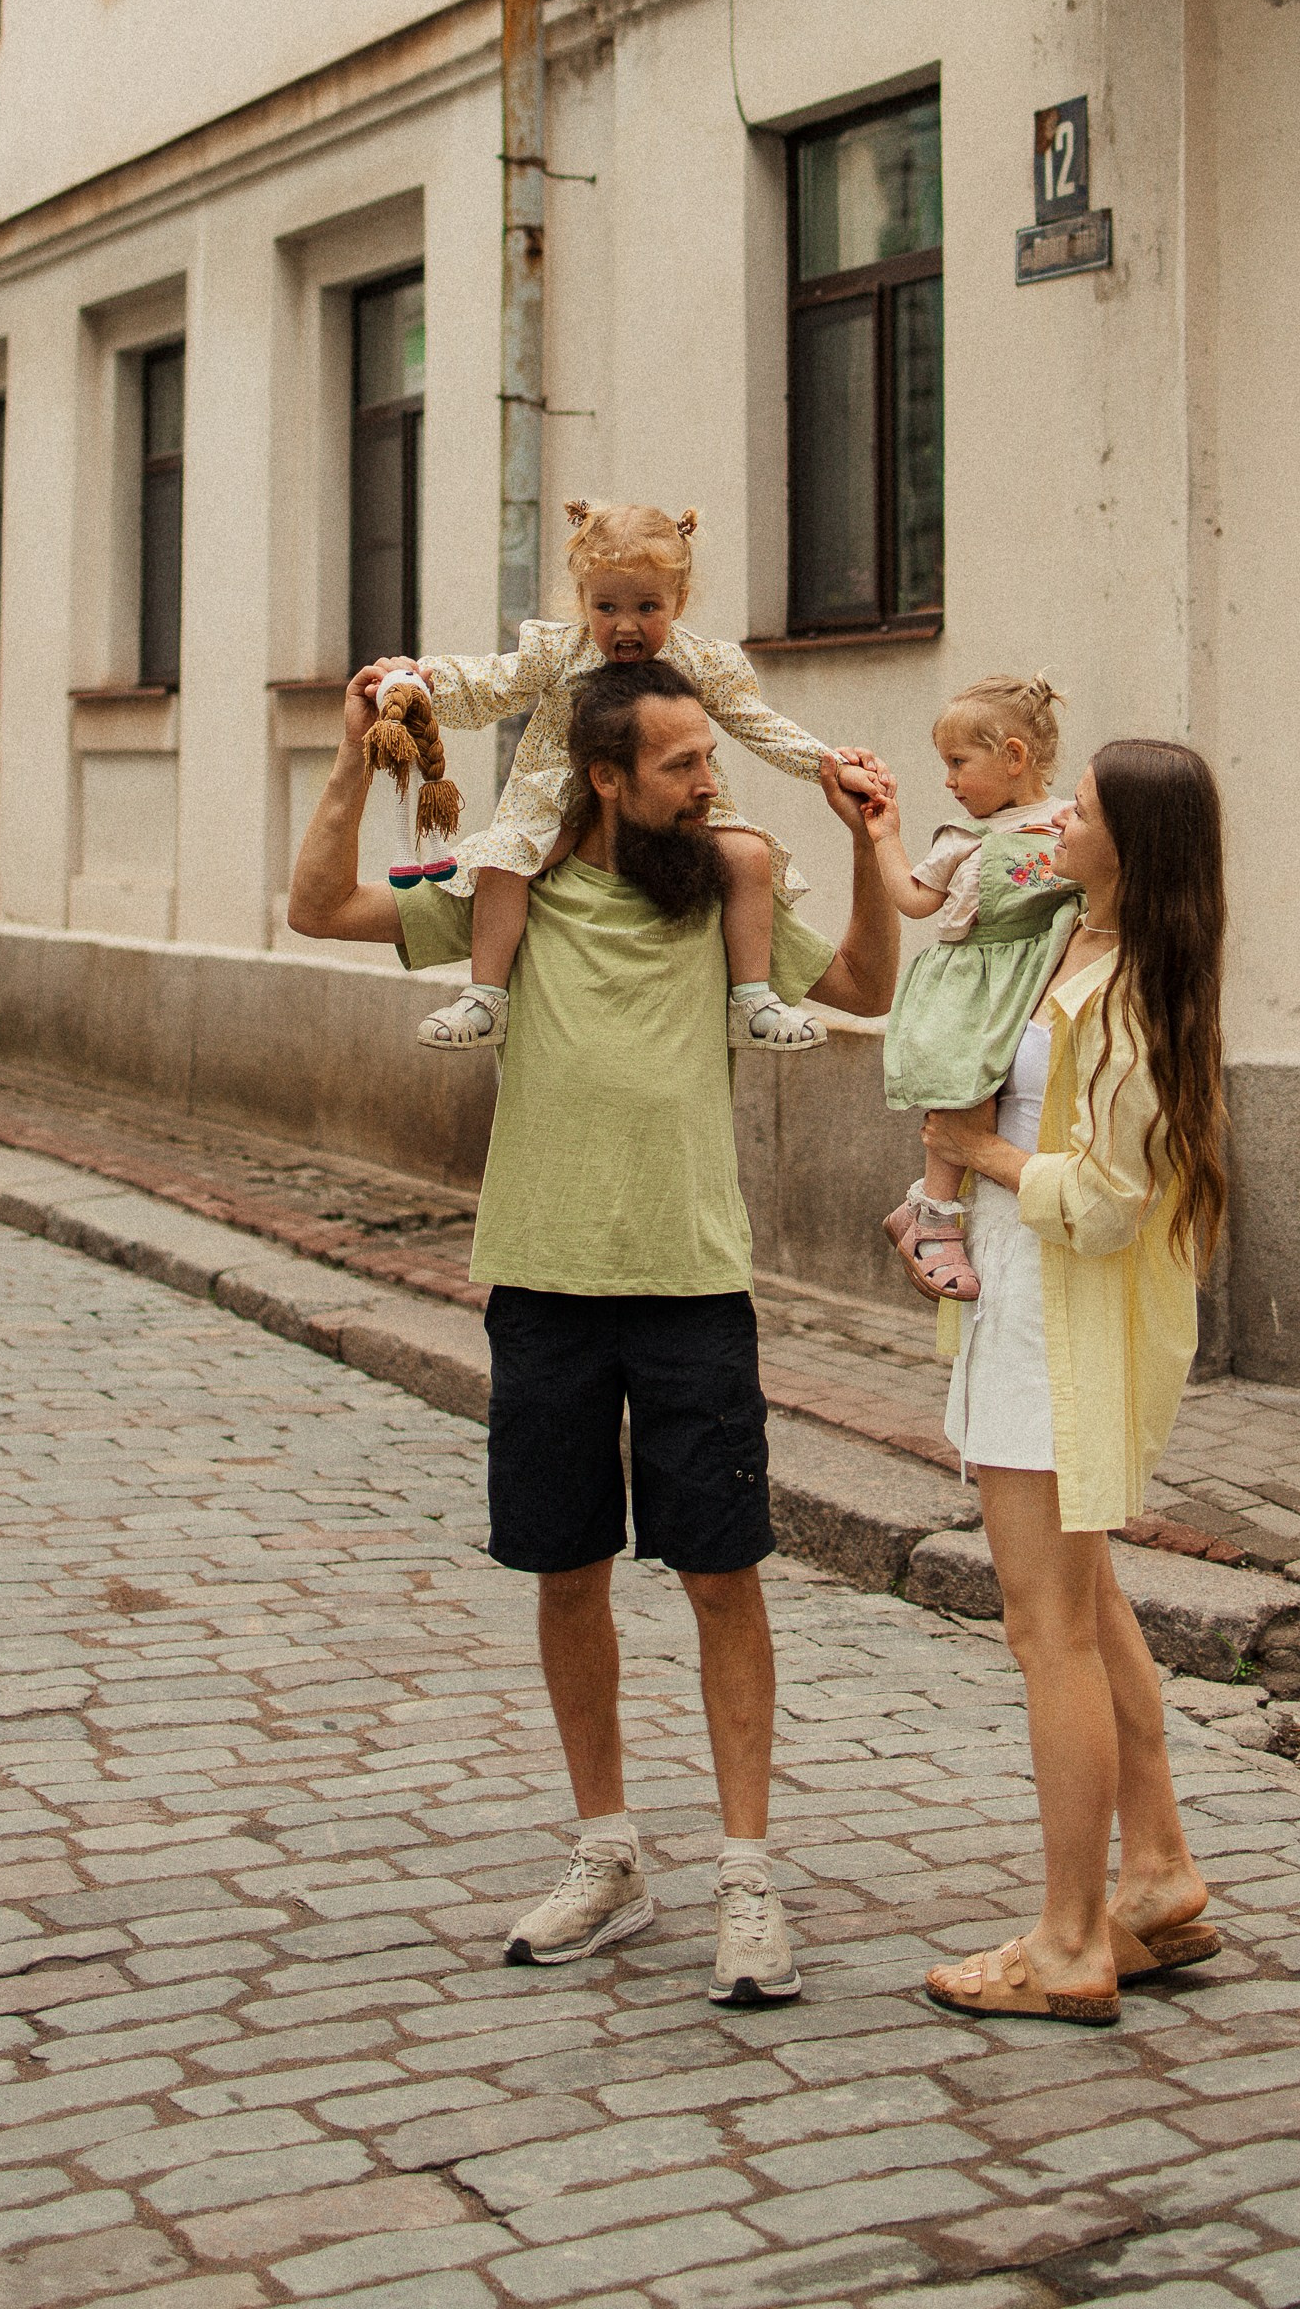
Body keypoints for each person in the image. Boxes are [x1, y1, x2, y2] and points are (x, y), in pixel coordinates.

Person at [287, 650, 899, 2010]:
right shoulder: (512, 891)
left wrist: (865, 852)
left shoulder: (729, 893)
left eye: (707, 758)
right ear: (606, 780)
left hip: (691, 1282)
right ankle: (608, 1854)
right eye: (681, 765)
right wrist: (349, 757)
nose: (709, 781)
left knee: (722, 1574)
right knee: (567, 1569)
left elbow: (862, 986)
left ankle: (747, 1874)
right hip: (544, 1279)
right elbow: (320, 905)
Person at [885, 739, 1230, 2029]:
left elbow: (1105, 1202)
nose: (1061, 815)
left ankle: (1073, 1938)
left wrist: (977, 1155)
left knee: (1050, 1633)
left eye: (1082, 806)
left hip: (1064, 1336)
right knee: (1090, 1602)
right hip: (1023, 1314)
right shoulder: (1066, 947)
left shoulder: (1135, 995)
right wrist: (955, 1184)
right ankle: (1159, 1874)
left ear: (1133, 846)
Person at [410, 498, 879, 1056]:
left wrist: (830, 765)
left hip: (670, 804)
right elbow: (494, 682)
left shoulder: (701, 662)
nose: (625, 625)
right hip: (559, 804)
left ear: (679, 601)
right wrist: (425, 681)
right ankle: (486, 995)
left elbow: (758, 724)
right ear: (582, 600)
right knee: (505, 861)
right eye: (606, 606)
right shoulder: (559, 650)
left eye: (647, 607)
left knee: (747, 857)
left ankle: (752, 999)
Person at [872, 672, 1080, 1302]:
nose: (949, 780)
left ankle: (922, 1211)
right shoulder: (964, 839)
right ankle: (934, 1215)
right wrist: (885, 836)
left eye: (959, 762)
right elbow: (913, 899)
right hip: (973, 983)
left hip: (1037, 977)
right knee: (968, 1085)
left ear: (1014, 757)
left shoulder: (1068, 822)